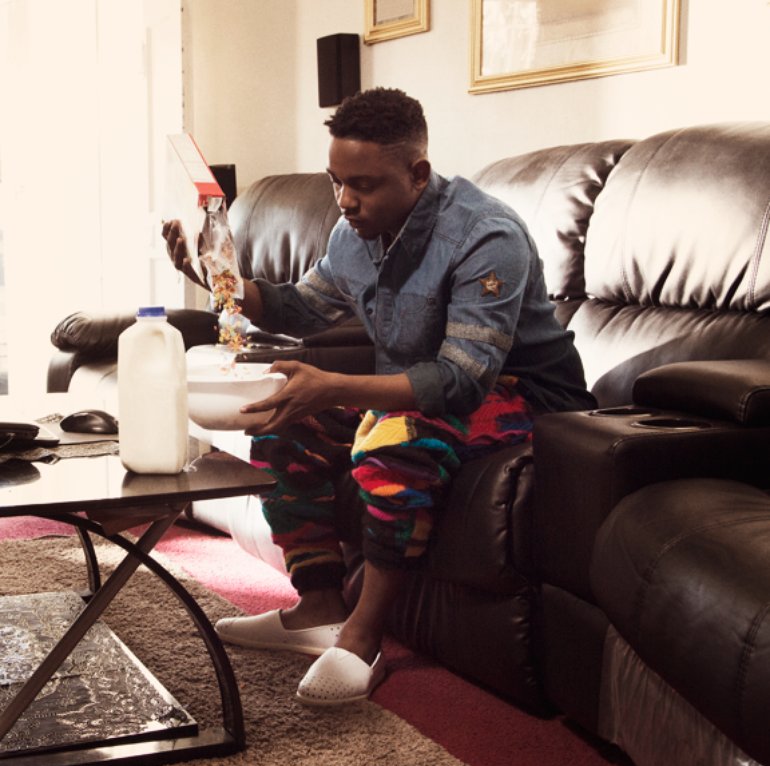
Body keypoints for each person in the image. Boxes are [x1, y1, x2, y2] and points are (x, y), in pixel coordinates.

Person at [163, 87, 596, 706]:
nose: (345, 201)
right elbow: (301, 308)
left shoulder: (485, 236)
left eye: (361, 185)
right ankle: (316, 606)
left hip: (527, 394)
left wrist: (335, 388)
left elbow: (464, 378)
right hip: (429, 384)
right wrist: (213, 278)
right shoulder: (352, 233)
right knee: (282, 420)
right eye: (337, 181)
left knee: (396, 441)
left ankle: (364, 638)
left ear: (417, 173)